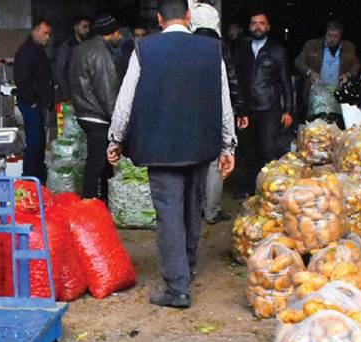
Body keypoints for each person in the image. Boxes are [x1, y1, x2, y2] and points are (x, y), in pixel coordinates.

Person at [108, 0, 236, 309]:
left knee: (169, 214)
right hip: (200, 146)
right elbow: (224, 101)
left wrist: (115, 138)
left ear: (159, 18)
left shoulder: (144, 50)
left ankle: (177, 287)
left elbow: (126, 100)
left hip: (160, 147)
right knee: (193, 207)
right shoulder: (211, 51)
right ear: (189, 16)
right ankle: (187, 266)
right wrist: (228, 145)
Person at [190, 2, 248, 224]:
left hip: (190, 112)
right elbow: (231, 79)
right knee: (216, 162)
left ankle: (194, 208)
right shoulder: (219, 46)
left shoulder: (186, 45)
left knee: (194, 160)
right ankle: (211, 211)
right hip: (215, 109)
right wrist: (240, 108)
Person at [235, 10, 293, 194]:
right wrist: (237, 108)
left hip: (269, 108)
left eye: (261, 23)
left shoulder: (277, 50)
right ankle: (249, 189)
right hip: (246, 109)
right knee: (248, 152)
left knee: (267, 151)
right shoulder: (241, 50)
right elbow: (234, 79)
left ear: (268, 27)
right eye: (254, 23)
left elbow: (286, 82)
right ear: (249, 26)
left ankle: (268, 191)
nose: (257, 26)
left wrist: (289, 110)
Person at [69, 14, 122, 201]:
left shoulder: (81, 48)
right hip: (97, 115)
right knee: (96, 162)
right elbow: (107, 89)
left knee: (102, 161)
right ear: (111, 33)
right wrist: (118, 119)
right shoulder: (101, 53)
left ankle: (103, 202)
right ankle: (89, 204)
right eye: (118, 32)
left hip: (83, 111)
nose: (121, 37)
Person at [14, 20, 55, 184]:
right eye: (45, 33)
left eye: (49, 34)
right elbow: (22, 80)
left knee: (39, 144)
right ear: (35, 32)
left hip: (38, 103)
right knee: (34, 144)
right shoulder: (26, 52)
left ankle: (38, 180)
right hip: (31, 104)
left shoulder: (38, 50)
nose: (48, 37)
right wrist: (32, 101)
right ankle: (30, 180)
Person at [295, 20, 361, 112]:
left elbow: (356, 65)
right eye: (330, 35)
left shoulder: (349, 47)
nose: (332, 39)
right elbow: (299, 61)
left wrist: (348, 74)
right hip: (317, 93)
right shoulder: (311, 45)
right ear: (325, 34)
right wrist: (310, 72)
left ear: (340, 36)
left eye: (335, 36)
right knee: (316, 120)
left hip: (338, 92)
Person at [54, 16, 91, 102]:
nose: (87, 30)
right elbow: (60, 72)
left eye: (88, 27)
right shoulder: (67, 47)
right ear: (75, 28)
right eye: (84, 27)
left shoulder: (89, 46)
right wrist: (66, 96)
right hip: (71, 95)